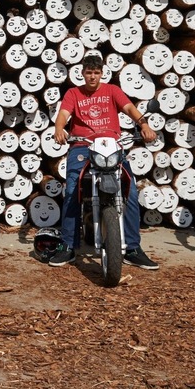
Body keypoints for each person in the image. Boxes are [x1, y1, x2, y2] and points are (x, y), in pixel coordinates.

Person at [51, 53, 159, 270]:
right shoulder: (74, 93)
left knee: (130, 190)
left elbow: (130, 109)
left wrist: (144, 125)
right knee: (73, 188)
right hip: (82, 146)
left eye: (96, 73)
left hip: (111, 146)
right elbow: (63, 113)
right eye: (89, 72)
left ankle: (132, 248)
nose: (92, 77)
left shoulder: (112, 90)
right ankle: (68, 245)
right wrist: (59, 128)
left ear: (102, 74)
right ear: (82, 73)